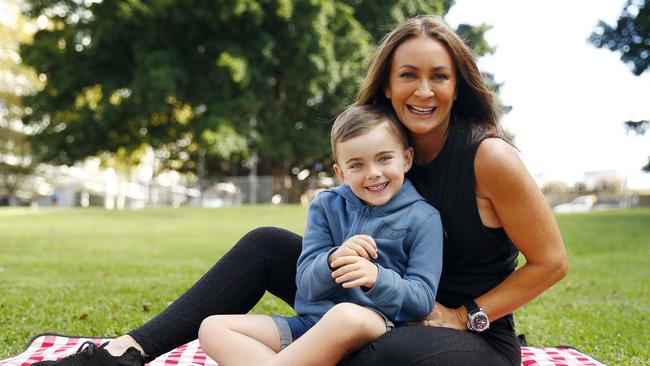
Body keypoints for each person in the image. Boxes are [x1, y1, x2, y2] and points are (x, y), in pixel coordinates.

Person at [32, 15, 567, 366]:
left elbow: (551, 262)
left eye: (439, 76)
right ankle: (124, 353)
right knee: (267, 244)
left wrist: (463, 315)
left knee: (385, 348)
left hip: (459, 333)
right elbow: (327, 248)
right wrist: (336, 254)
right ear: (387, 84)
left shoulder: (488, 156)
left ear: (459, 83)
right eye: (408, 75)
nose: (423, 90)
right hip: (363, 303)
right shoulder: (383, 155)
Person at [197, 104, 443, 366]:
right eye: (357, 164)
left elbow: (422, 299)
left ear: (406, 158)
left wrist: (376, 278)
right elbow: (306, 284)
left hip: (377, 328)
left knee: (345, 315)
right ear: (341, 173)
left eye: (384, 158)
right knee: (212, 328)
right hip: (310, 326)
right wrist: (332, 260)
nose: (373, 172)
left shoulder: (424, 218)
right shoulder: (326, 206)